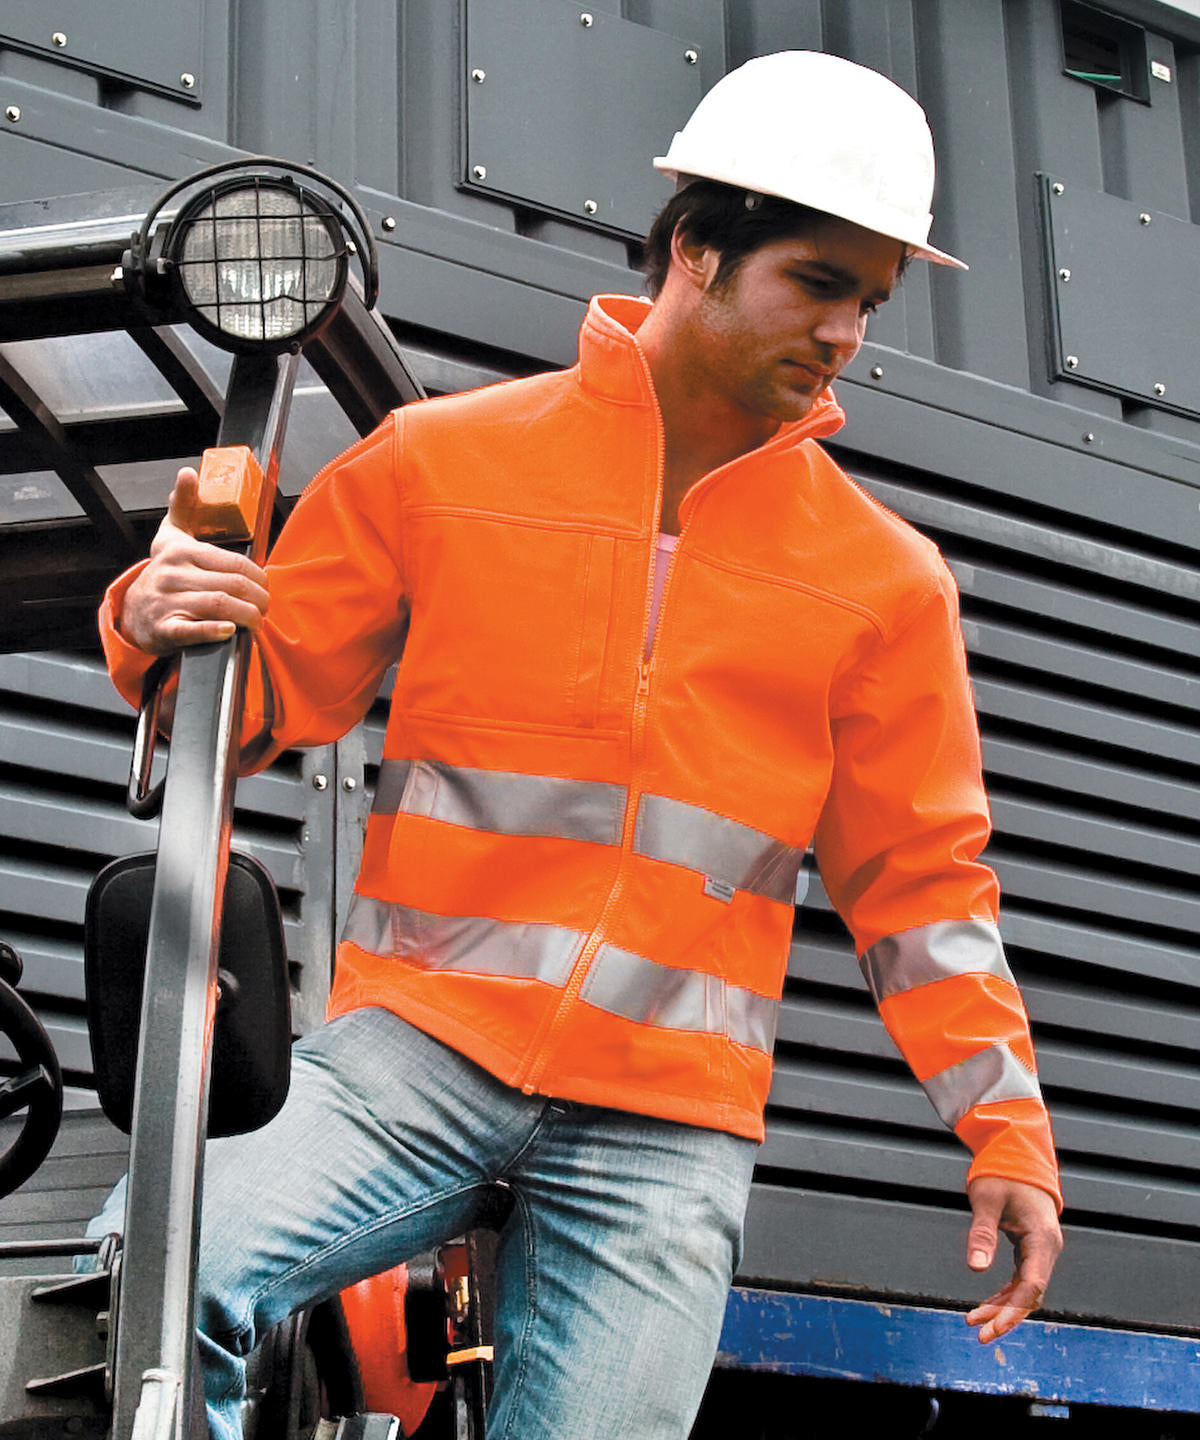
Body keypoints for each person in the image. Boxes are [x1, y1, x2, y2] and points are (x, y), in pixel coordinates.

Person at [94, 49, 1062, 1440]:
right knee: (142, 1281)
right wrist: (156, 615)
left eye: (869, 301)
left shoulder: (887, 583)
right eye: (818, 283)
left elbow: (922, 890)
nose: (846, 332)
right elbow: (248, 708)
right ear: (698, 249)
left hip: (669, 1128)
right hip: (421, 1052)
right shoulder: (439, 464)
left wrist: (1005, 1130)